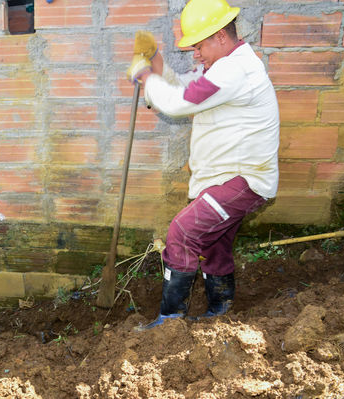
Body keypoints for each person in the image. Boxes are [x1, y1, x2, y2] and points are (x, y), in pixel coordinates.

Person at [127, 0, 280, 329]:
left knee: (181, 233)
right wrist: (157, 68)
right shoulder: (224, 67)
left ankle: (169, 323)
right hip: (229, 178)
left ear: (221, 37)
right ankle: (220, 312)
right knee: (213, 243)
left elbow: (179, 102)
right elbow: (185, 86)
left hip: (242, 181)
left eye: (199, 45)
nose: (195, 53)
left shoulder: (234, 71)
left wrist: (145, 77)